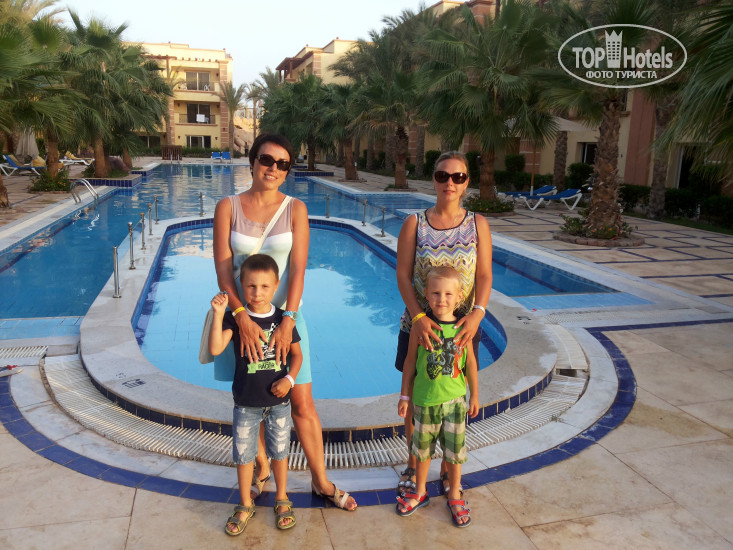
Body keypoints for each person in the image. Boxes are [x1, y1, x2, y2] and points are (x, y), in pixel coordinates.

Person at [213, 133, 357, 511]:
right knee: (251, 398)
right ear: (252, 161)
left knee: (302, 402)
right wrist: (241, 318)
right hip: (241, 319)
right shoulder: (227, 207)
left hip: (286, 319)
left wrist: (289, 320)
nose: (273, 168)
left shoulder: (296, 209)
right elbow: (224, 271)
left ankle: (321, 481)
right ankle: (262, 465)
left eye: (282, 164)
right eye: (266, 159)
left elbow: (299, 269)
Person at [395, 151, 492, 498]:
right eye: (442, 176)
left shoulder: (478, 224)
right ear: (433, 179)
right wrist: (419, 318)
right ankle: (413, 463)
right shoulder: (415, 223)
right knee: (418, 395)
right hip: (419, 325)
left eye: (458, 177)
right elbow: (403, 276)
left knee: (454, 395)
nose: (449, 182)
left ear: (466, 182)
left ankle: (449, 469)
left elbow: (484, 275)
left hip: (462, 327)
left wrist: (478, 313)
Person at [209, 255, 300, 534]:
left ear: (276, 286)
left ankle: (282, 498)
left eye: (264, 286)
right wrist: (218, 314)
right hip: (246, 402)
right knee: (244, 455)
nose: (257, 293)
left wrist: (289, 380)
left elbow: (297, 356)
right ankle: (245, 503)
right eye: (250, 286)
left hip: (279, 402)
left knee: (280, 452)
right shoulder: (235, 320)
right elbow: (215, 348)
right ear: (242, 286)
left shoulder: (283, 320)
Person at [397, 266, 479, 526]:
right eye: (435, 293)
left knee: (454, 453)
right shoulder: (420, 327)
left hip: (455, 403)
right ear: (426, 294)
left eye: (448, 294)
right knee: (422, 452)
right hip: (424, 402)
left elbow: (471, 364)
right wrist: (405, 396)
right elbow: (410, 362)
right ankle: (420, 491)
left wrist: (474, 395)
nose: (441, 299)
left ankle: (454, 494)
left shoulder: (463, 328)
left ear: (459, 296)